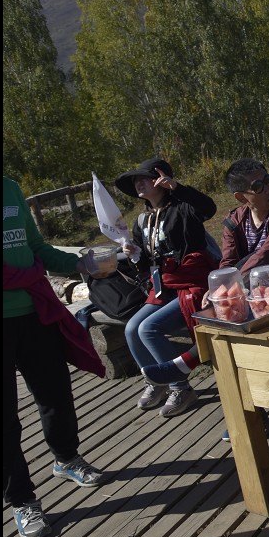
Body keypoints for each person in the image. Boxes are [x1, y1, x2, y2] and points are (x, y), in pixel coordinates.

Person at [144, 158, 269, 442]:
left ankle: (188, 362)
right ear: (241, 196)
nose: (268, 188)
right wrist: (219, 285)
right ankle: (247, 409)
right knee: (226, 314)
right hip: (265, 292)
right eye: (258, 185)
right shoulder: (235, 220)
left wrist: (230, 283)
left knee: (249, 311)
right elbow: (228, 261)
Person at [4, 176, 108, 537]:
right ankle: (21, 500)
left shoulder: (10, 187)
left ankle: (65, 459)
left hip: (34, 312)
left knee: (56, 396)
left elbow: (34, 246)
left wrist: (79, 263)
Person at [117, 158, 218, 419]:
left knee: (149, 328)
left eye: (144, 177)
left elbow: (209, 208)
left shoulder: (184, 208)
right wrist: (135, 255)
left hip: (192, 284)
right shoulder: (141, 220)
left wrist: (177, 188)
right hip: (163, 286)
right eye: (135, 180)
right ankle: (156, 382)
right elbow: (146, 267)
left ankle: (180, 387)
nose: (138, 182)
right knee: (131, 329)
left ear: (161, 180)